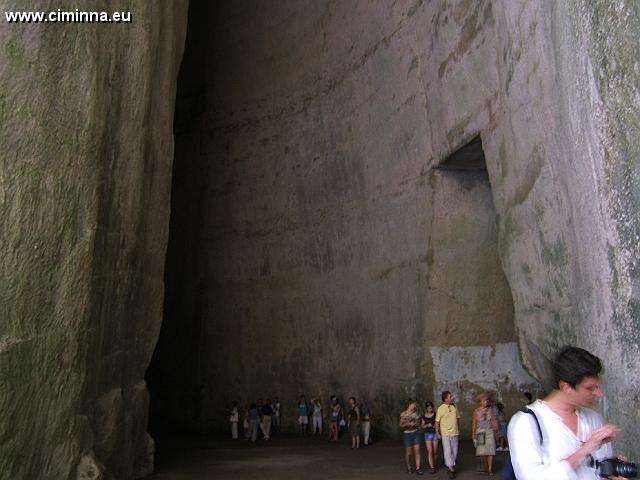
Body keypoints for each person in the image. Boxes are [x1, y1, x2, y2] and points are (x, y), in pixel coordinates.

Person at [508, 346, 628, 480]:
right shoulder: (525, 423)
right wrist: (584, 451)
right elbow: (530, 477)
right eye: (589, 388)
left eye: (597, 386)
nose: (599, 393)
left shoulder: (594, 418)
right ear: (566, 387)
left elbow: (597, 472)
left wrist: (612, 473)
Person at [472, 392, 499, 476]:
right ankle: (484, 467)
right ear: (480, 402)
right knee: (481, 451)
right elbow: (474, 423)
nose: (486, 402)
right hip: (480, 431)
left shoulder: (491, 410)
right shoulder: (476, 411)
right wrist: (473, 434)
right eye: (484, 401)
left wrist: (497, 432)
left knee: (491, 451)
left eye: (486, 400)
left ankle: (490, 469)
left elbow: (494, 421)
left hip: (489, 431)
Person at [436, 391, 460, 479]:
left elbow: (458, 418)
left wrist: (458, 429)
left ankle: (450, 465)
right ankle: (451, 469)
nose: (452, 398)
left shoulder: (454, 407)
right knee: (448, 451)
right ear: (446, 399)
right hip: (445, 433)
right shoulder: (440, 409)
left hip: (455, 433)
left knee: (454, 451)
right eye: (450, 397)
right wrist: (437, 432)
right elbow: (437, 422)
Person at [400, 399, 424, 475]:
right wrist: (407, 424)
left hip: (416, 433)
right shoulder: (403, 414)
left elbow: (419, 423)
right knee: (409, 453)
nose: (414, 406)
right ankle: (409, 467)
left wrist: (415, 424)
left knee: (417, 451)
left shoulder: (416, 414)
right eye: (413, 404)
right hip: (407, 434)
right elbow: (401, 425)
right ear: (409, 405)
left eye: (415, 405)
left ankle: (418, 468)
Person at [422, 401, 438, 473]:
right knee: (430, 451)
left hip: (435, 434)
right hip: (427, 434)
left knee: (435, 451)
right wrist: (427, 425)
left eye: (431, 408)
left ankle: (434, 464)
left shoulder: (436, 415)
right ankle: (432, 467)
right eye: (428, 408)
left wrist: (436, 427)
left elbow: (439, 423)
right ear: (426, 408)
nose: (430, 409)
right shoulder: (423, 416)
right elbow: (422, 426)